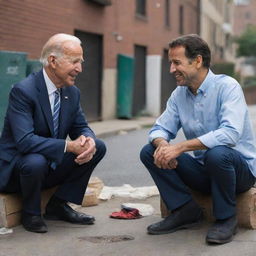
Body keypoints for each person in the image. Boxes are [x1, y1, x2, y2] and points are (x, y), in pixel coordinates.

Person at [140, 34, 256, 244]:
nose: (172, 70)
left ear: (198, 60)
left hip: (238, 172)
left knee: (218, 153)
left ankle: (226, 219)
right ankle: (185, 210)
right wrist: (163, 145)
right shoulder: (179, 95)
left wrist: (180, 148)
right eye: (171, 63)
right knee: (150, 151)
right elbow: (159, 129)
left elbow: (229, 134)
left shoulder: (227, 87)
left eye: (177, 63)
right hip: (205, 171)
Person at [0, 33, 106, 233]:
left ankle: (58, 204)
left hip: (48, 165)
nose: (79, 69)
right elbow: (24, 142)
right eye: (74, 61)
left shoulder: (72, 92)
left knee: (98, 147)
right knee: (35, 160)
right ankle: (31, 213)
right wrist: (69, 146)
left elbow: (81, 126)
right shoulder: (23, 91)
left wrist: (88, 139)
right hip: (18, 170)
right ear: (53, 61)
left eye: (81, 62)